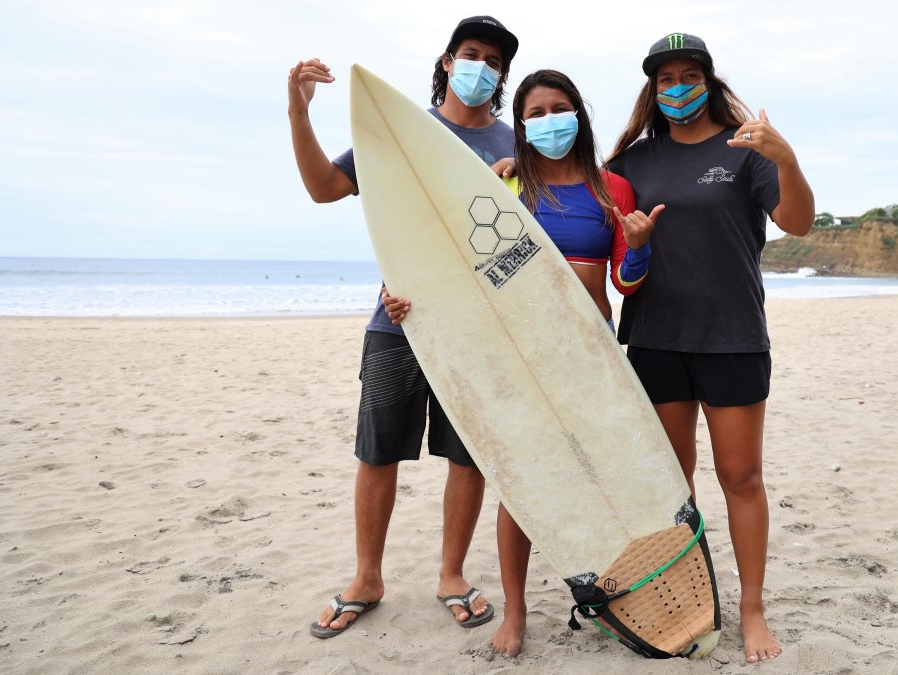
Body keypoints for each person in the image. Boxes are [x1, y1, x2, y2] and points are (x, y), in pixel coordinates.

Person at [287, 15, 520, 638]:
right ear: (447, 61)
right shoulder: (398, 128)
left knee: (468, 456)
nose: (481, 68)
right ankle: (366, 577)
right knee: (378, 450)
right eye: (471, 54)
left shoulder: (516, 145)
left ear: (502, 75)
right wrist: (299, 112)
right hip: (398, 320)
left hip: (478, 328)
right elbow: (324, 188)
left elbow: (528, 246)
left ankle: (452, 574)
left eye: (494, 61)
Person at [604, 33, 815, 663]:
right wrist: (509, 169)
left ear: (709, 81)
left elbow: (798, 222)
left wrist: (787, 159)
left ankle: (751, 610)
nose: (677, 88)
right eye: (665, 79)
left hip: (732, 338)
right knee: (673, 486)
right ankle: (688, 601)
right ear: (652, 90)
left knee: (741, 477)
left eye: (688, 76)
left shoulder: (747, 148)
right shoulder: (634, 162)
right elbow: (573, 198)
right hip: (655, 338)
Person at [486, 69, 660, 657]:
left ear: (579, 114)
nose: (549, 121)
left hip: (592, 351)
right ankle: (515, 611)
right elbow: (475, 269)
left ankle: (608, 597)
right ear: (521, 124)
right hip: (522, 351)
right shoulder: (505, 185)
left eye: (559, 109)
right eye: (535, 113)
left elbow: (624, 282)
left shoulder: (613, 188)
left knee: (603, 478)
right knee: (521, 482)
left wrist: (640, 248)